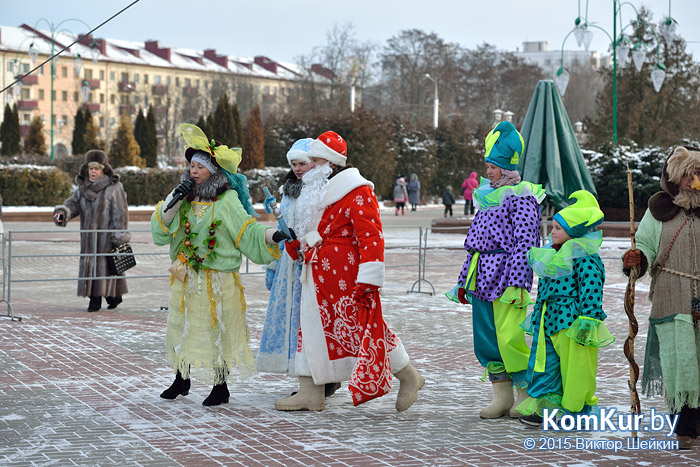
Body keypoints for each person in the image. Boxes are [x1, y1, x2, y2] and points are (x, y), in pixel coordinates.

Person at [274, 130, 424, 412]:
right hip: (316, 274)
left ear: (330, 163)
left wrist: (369, 278)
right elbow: (316, 230)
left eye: (316, 161)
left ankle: (410, 377)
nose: (310, 166)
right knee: (311, 329)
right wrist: (299, 245)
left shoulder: (356, 189)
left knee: (366, 329)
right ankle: (310, 391)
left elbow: (371, 236)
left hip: (346, 277)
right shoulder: (318, 190)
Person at [151, 123, 289, 407]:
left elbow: (247, 232)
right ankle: (182, 378)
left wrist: (272, 234)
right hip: (187, 276)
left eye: (200, 166)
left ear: (213, 170)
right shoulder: (183, 197)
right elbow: (161, 228)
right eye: (191, 166)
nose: (194, 171)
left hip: (218, 280)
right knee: (182, 326)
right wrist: (176, 199)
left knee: (218, 330)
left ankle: (220, 385)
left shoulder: (227, 201)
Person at [446, 120, 545, 419]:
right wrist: (465, 280)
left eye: (494, 166)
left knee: (509, 337)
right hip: (481, 276)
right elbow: (475, 244)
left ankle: (525, 395)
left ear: (508, 167)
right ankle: (501, 395)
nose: (489, 171)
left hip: (506, 277)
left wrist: (518, 283)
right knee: (487, 337)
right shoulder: (487, 196)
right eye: (487, 165)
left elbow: (525, 244)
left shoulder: (523, 198)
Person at [622, 146, 700, 450]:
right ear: (674, 176)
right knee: (680, 362)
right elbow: (644, 247)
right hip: (671, 296)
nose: (692, 178)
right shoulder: (658, 212)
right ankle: (684, 424)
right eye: (687, 173)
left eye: (697, 173)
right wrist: (635, 259)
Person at [517, 190, 613, 427]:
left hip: (573, 322)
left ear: (573, 231)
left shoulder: (585, 258)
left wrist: (588, 321)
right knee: (547, 366)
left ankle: (574, 411)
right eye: (552, 227)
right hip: (548, 321)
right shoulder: (552, 254)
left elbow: (592, 289)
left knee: (575, 369)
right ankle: (547, 409)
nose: (552, 232)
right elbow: (544, 289)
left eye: (557, 228)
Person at [256, 138, 342, 398]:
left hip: (312, 264)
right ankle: (307, 378)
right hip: (289, 268)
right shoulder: (289, 190)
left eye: (303, 163)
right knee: (293, 324)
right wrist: (275, 263)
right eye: (293, 164)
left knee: (311, 323)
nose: (298, 168)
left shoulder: (322, 189)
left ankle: (322, 378)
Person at [53, 150, 130, 312]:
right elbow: (72, 204)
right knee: (91, 267)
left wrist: (120, 235)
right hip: (88, 240)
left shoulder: (113, 188)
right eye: (90, 168)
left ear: (103, 169)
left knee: (106, 268)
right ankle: (107, 297)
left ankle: (104, 299)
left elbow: (120, 213)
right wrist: (63, 213)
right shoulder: (82, 189)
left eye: (97, 168)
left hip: (106, 240)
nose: (93, 172)